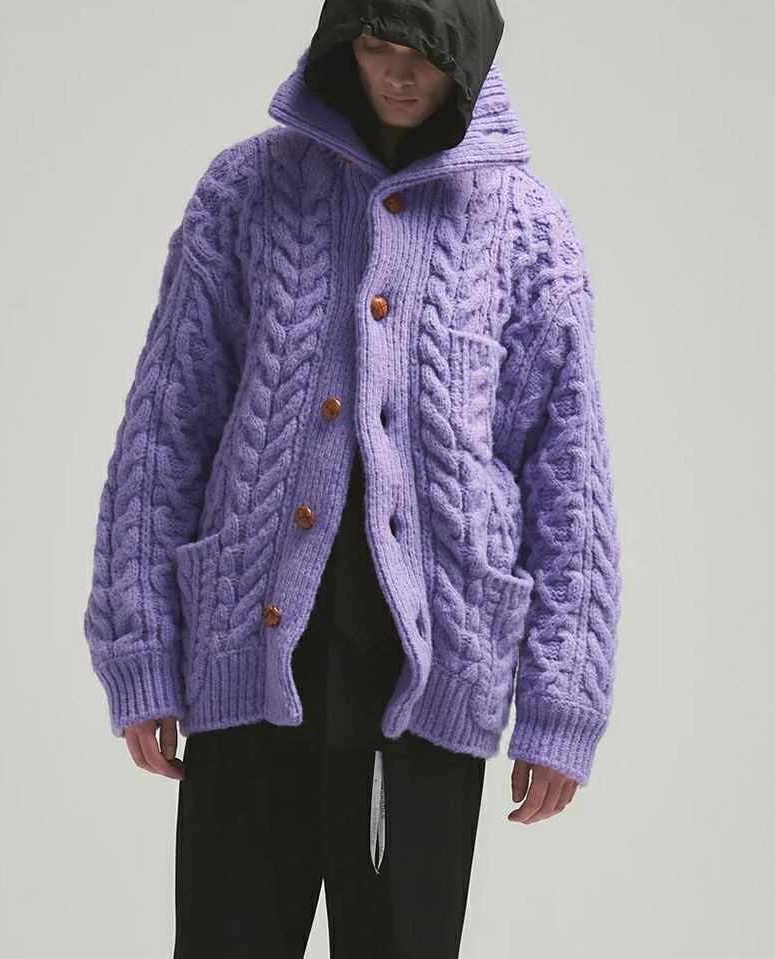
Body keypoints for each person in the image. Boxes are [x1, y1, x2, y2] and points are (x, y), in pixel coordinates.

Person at [82, 1, 623, 956]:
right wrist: (142, 648)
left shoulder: (530, 227)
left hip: (428, 680)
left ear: (466, 59)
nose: (399, 75)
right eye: (376, 48)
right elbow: (165, 428)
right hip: (251, 665)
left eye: (423, 56)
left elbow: (569, 478)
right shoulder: (246, 190)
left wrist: (562, 702)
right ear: (343, 46)